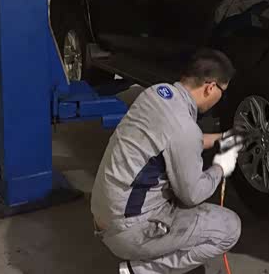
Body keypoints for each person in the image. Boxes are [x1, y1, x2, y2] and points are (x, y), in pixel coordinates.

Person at [91, 48, 241, 274]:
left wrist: (221, 138)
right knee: (229, 228)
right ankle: (141, 270)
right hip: (129, 231)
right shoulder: (185, 130)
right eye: (223, 91)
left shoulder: (157, 94)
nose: (221, 98)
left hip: (104, 215)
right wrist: (221, 166)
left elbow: (175, 140)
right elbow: (193, 195)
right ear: (210, 87)